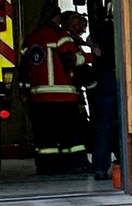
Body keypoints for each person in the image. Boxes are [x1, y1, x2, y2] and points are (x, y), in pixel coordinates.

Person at [22, 9, 91, 175]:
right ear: (57, 18)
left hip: (39, 97)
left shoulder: (30, 38)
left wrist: (24, 92)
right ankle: (76, 164)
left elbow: (24, 68)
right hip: (64, 95)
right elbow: (70, 59)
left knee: (45, 137)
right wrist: (90, 58)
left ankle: (48, 167)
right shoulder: (61, 36)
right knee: (71, 135)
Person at [83, 15, 121, 181]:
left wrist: (96, 50)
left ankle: (100, 168)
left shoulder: (104, 27)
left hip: (104, 78)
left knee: (103, 127)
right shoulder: (121, 26)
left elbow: (90, 39)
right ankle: (126, 166)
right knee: (124, 124)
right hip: (118, 76)